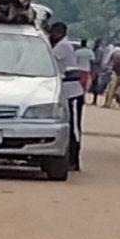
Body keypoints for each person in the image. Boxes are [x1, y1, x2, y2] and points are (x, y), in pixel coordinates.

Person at [50, 22, 83, 171]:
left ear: (59, 32)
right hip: (64, 92)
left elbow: (50, 60)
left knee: (74, 128)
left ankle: (74, 160)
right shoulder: (61, 45)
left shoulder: (62, 47)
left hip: (72, 93)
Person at [89, 38, 104, 104]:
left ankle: (95, 100)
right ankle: (94, 100)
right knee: (93, 84)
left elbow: (98, 60)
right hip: (94, 69)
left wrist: (91, 61)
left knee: (95, 84)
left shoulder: (99, 50)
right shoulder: (95, 49)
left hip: (96, 69)